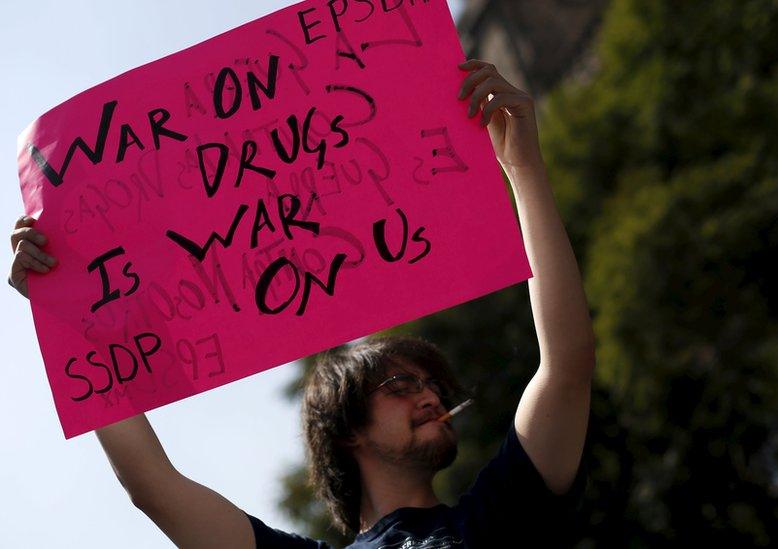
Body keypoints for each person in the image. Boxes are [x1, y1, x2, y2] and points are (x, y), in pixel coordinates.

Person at [9, 59, 596, 548]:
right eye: (399, 385)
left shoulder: (500, 512)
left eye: (432, 388)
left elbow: (566, 364)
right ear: (346, 433)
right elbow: (152, 486)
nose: (429, 395)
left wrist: (522, 166)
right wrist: (65, 312)